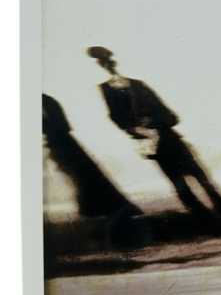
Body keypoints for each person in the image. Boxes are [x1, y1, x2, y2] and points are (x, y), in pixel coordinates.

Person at [87, 46, 221, 235]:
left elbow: (171, 116)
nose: (106, 65)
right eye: (101, 62)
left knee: (203, 182)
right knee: (182, 188)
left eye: (106, 60)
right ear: (100, 65)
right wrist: (138, 131)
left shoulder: (138, 85)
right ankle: (213, 228)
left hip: (172, 141)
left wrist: (151, 122)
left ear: (112, 62)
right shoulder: (106, 89)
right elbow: (118, 120)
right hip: (155, 146)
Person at [42, 93, 149, 249]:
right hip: (64, 143)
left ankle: (96, 214)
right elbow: (63, 125)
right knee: (84, 177)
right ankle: (100, 212)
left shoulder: (43, 101)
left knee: (79, 179)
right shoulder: (47, 100)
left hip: (58, 145)